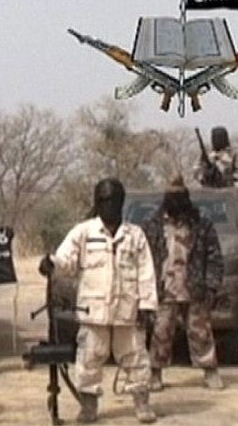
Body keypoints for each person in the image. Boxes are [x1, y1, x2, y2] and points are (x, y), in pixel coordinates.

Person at [39, 178, 157, 424]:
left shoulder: (135, 236)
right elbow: (65, 260)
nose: (109, 205)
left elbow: (146, 272)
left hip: (128, 310)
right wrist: (51, 264)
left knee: (135, 357)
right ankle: (89, 406)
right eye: (103, 200)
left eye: (113, 200)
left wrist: (147, 305)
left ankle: (142, 403)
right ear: (97, 202)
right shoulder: (84, 232)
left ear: (122, 202)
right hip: (93, 311)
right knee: (89, 358)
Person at [141, 176, 225, 391]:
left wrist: (211, 286)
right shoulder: (153, 224)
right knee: (161, 332)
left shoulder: (200, 223)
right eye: (172, 197)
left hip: (194, 287)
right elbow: (144, 258)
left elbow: (214, 257)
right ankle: (155, 373)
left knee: (201, 332)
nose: (176, 201)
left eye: (179, 197)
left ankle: (210, 370)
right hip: (165, 289)